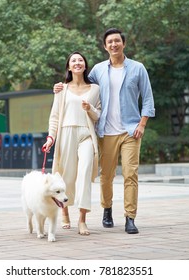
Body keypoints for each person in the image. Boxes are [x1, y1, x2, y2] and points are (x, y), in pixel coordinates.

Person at [54, 28, 155, 234]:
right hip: (105, 132)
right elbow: (79, 83)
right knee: (106, 176)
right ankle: (107, 208)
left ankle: (130, 217)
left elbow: (148, 98)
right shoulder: (98, 70)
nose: (114, 45)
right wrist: (60, 87)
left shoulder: (137, 68)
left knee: (130, 174)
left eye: (117, 41)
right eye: (110, 42)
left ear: (123, 44)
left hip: (130, 131)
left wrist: (142, 124)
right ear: (105, 46)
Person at [43, 51, 101, 235]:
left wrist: (89, 108)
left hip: (86, 134)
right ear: (69, 66)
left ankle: (82, 220)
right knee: (66, 175)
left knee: (84, 174)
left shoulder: (95, 89)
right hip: (66, 133)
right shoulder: (62, 89)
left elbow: (98, 115)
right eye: (73, 61)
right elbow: (54, 116)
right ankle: (65, 211)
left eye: (80, 60)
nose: (77, 63)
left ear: (85, 65)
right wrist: (51, 137)